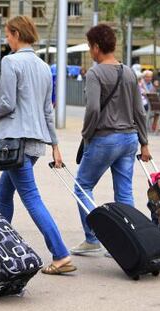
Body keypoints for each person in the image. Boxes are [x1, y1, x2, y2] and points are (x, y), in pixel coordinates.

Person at [0, 15, 76, 275]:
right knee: (4, 192)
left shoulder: (10, 61)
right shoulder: (43, 66)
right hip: (34, 145)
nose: (7, 39)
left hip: (15, 143)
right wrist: (55, 145)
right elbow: (48, 111)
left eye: (8, 34)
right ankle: (1, 246)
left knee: (31, 198)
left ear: (16, 33)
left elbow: (7, 103)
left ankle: (60, 255)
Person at [70, 24, 150, 255]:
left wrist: (86, 134)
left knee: (82, 186)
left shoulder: (95, 73)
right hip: (129, 140)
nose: (89, 51)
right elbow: (139, 111)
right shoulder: (128, 72)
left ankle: (92, 237)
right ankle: (131, 239)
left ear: (96, 47)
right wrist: (144, 142)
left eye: (89, 47)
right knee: (124, 191)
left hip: (105, 138)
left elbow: (93, 109)